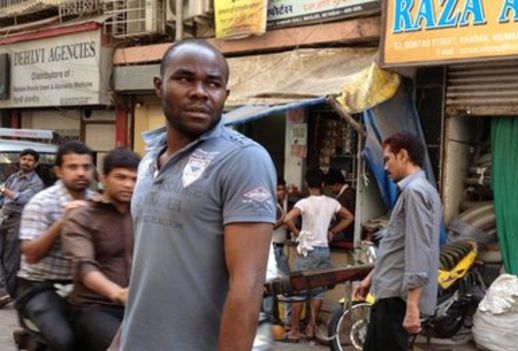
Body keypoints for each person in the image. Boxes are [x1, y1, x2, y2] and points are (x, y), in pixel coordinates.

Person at [117, 39, 277, 351]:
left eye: (213, 83)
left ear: (225, 96)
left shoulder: (243, 160)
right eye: (185, 78)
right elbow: (147, 276)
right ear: (159, 87)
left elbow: (247, 285)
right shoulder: (149, 161)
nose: (200, 92)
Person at [354, 132, 441, 351]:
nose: (385, 167)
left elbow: (418, 249)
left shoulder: (415, 193)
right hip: (388, 293)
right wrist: (370, 278)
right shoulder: (419, 191)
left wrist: (412, 306)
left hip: (397, 299)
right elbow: (398, 248)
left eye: (387, 159)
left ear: (403, 155)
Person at [16, 141, 95, 351]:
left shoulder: (96, 203)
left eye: (86, 167)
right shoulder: (41, 203)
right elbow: (31, 255)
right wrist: (62, 221)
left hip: (83, 286)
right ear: (58, 171)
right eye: (73, 167)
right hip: (38, 286)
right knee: (65, 341)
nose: (80, 173)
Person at [61, 148, 140, 351]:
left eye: (134, 179)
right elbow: (83, 266)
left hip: (139, 305)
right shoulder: (82, 215)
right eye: (121, 177)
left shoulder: (144, 215)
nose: (129, 185)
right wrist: (118, 293)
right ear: (104, 179)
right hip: (94, 308)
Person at [283, 169, 354, 341]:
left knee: (298, 290)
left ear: (307, 184)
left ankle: (294, 331)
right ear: (323, 184)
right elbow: (349, 217)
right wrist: (332, 231)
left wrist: (297, 232)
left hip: (308, 250)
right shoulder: (331, 202)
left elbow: (287, 219)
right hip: (324, 251)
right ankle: (311, 329)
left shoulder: (304, 203)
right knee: (318, 292)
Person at [0, 148, 44, 303]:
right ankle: (3, 292)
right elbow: (3, 198)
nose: (26, 162)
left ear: (36, 163)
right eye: (24, 159)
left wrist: (4, 190)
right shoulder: (13, 177)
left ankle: (8, 294)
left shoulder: (36, 183)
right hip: (4, 218)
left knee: (10, 261)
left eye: (30, 160)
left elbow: (21, 198)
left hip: (19, 221)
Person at [325, 168, 356, 244]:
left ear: (337, 185)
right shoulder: (351, 191)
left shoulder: (344, 197)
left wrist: (332, 231)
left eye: (330, 188)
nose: (331, 191)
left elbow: (345, 220)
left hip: (347, 234)